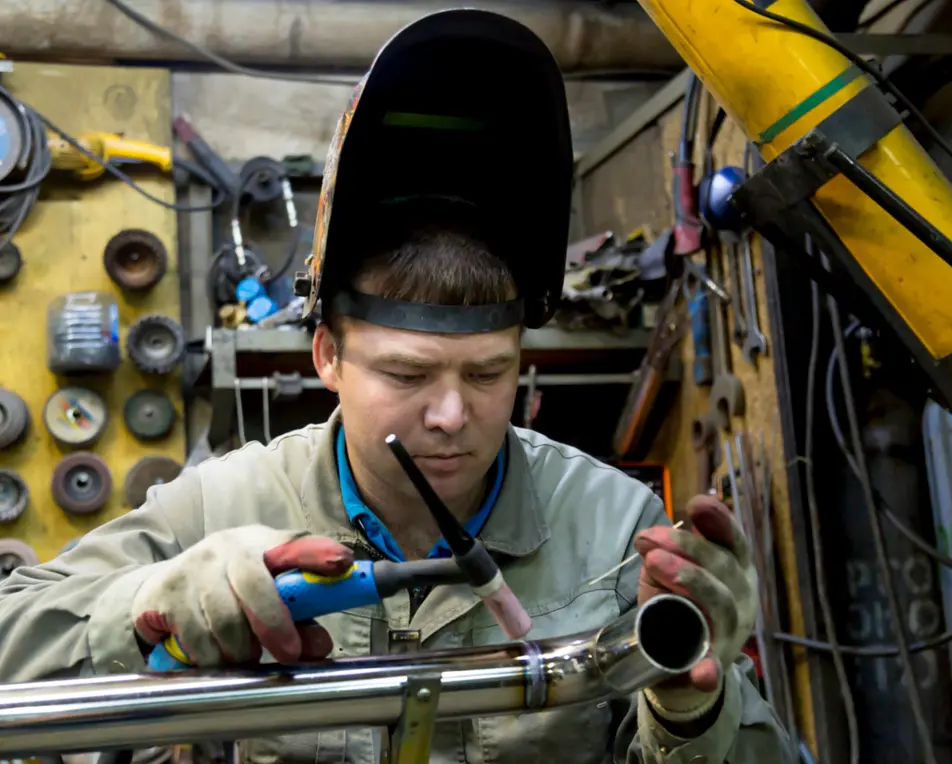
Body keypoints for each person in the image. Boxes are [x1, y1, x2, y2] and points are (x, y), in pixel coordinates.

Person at [0, 9, 794, 764]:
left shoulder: (615, 530)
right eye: (406, 374)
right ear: (327, 356)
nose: (451, 415)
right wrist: (152, 604)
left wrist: (691, 710)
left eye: (488, 373)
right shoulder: (225, 505)